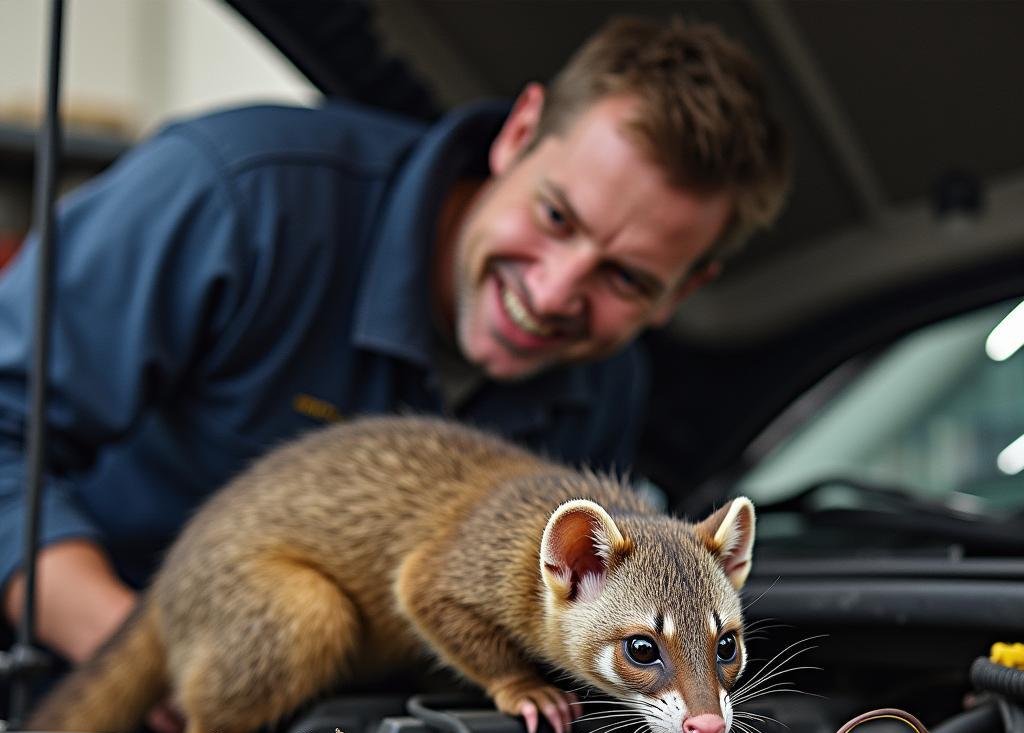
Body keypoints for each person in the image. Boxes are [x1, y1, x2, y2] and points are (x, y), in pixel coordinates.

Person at [0, 16, 789, 684]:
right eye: (555, 217)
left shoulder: (609, 383)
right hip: (91, 683)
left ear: (683, 292)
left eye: (624, 277)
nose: (552, 294)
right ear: (518, 133)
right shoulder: (238, 199)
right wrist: (148, 670)